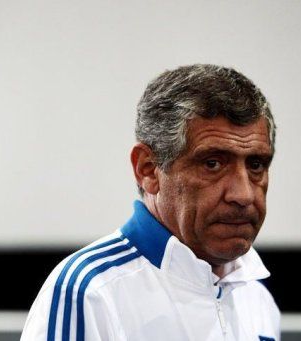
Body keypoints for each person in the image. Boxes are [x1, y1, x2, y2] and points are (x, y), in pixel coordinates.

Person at [21, 64, 281, 341]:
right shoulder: (88, 293)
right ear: (147, 169)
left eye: (256, 165)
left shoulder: (256, 297)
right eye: (213, 163)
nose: (244, 194)